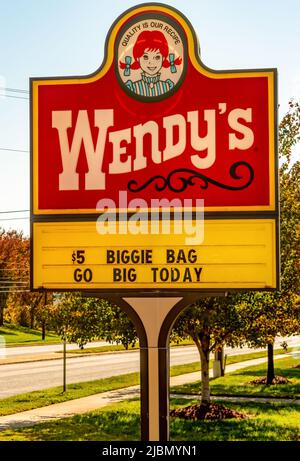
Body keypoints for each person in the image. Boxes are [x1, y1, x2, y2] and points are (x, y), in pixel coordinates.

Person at [119, 30, 182, 97]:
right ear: (138, 58)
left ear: (163, 58)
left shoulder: (168, 86)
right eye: (145, 57)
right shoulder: (132, 87)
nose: (151, 62)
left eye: (157, 57)